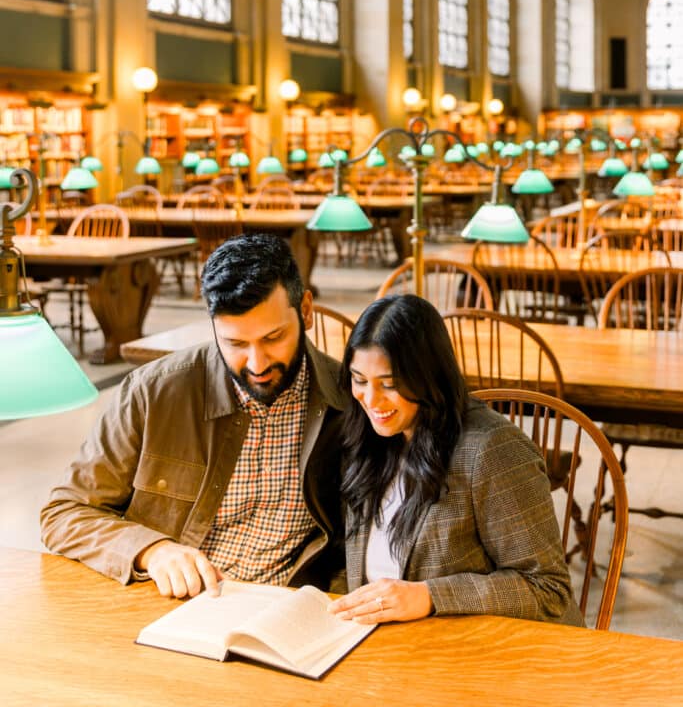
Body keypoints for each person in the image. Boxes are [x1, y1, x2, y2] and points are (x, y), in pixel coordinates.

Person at [41, 233, 346, 599]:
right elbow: (63, 513)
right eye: (235, 343)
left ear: (306, 311)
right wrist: (152, 551)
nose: (256, 363)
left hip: (283, 607)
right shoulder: (153, 392)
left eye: (273, 337)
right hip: (168, 604)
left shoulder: (350, 401)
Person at [328, 294, 584, 627]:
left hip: (479, 650)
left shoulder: (493, 451)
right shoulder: (369, 439)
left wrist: (430, 596)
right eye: (359, 380)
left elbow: (548, 589)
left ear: (428, 377)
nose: (371, 400)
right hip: (388, 643)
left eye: (389, 384)